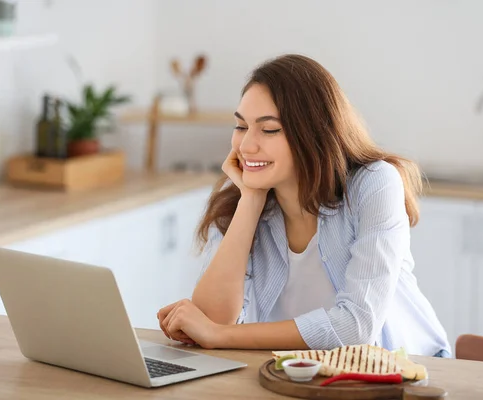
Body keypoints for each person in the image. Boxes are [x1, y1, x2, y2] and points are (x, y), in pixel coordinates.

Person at [157, 54, 451, 357]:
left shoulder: (374, 183)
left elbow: (356, 325)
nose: (246, 146)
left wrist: (221, 335)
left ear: (312, 133)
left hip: (405, 372)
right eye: (241, 126)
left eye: (268, 129)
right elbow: (210, 321)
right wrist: (251, 201)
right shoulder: (247, 189)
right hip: (300, 376)